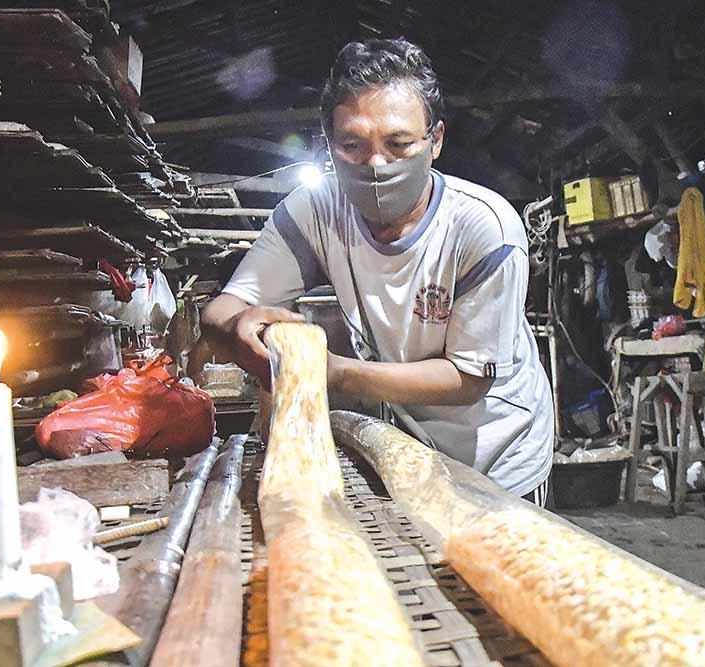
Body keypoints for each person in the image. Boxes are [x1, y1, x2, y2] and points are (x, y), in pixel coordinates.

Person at [199, 38, 554, 504]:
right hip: (409, 446)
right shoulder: (316, 211)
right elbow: (223, 307)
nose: (377, 164)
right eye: (352, 145)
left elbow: (467, 380)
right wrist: (237, 325)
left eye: (399, 143)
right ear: (329, 146)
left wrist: (333, 373)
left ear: (436, 140)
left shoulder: (483, 228)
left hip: (499, 451)